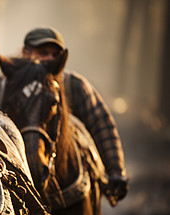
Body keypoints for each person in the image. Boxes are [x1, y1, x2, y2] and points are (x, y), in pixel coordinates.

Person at [21, 26, 129, 202]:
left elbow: (101, 125)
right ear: (26, 53)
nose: (49, 59)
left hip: (73, 188)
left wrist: (116, 171)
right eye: (43, 52)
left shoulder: (75, 86)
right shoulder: (14, 86)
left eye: (55, 55)